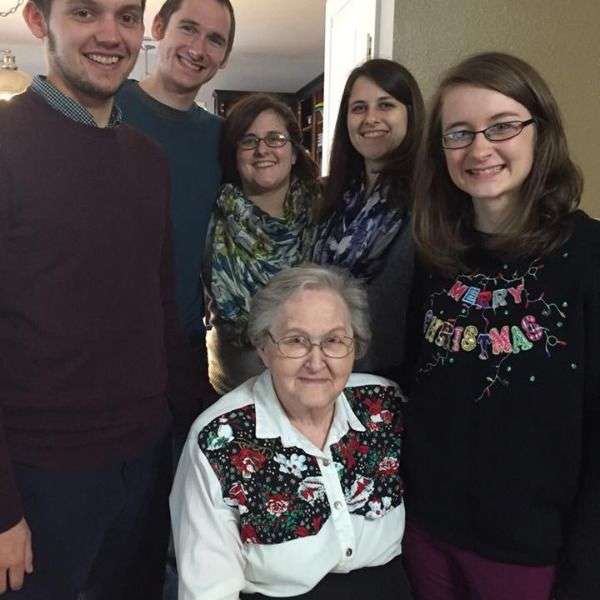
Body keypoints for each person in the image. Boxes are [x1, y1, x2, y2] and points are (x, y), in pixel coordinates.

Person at [0, 0, 205, 596]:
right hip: (39, 473)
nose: (111, 35)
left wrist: (195, 433)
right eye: (86, 13)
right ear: (38, 20)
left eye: (127, 16)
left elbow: (160, 309)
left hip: (145, 458)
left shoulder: (147, 159)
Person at [403, 51, 600, 600]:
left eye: (502, 126)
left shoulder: (589, 255)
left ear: (541, 133)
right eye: (459, 133)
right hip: (425, 531)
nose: (479, 148)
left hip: (532, 552)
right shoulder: (435, 253)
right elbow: (418, 381)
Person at [171, 264, 414, 600]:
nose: (316, 362)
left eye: (334, 341)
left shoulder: (383, 406)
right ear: (263, 347)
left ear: (355, 346)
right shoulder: (220, 439)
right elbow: (208, 591)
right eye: (296, 341)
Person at [115, 1, 235, 595]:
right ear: (157, 29)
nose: (198, 47)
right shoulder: (109, 107)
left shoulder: (220, 140)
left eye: (215, 39)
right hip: (100, 348)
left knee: (174, 502)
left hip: (183, 347)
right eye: (188, 28)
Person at [312, 59, 424, 377]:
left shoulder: (429, 201)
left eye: (386, 105)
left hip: (392, 375)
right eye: (359, 108)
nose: (370, 118)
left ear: (410, 114)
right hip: (325, 366)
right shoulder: (334, 196)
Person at [204, 93, 321, 395]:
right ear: (235, 155)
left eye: (275, 138)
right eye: (249, 141)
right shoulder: (211, 216)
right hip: (235, 393)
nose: (262, 150)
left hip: (316, 388)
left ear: (294, 153)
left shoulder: (325, 214)